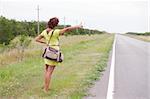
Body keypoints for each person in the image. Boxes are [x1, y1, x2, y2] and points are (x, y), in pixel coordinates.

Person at [35, 17, 82, 92]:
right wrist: (77, 26)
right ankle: (46, 89)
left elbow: (36, 39)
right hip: (54, 52)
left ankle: (45, 86)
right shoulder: (55, 32)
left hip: (47, 51)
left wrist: (45, 42)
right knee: (49, 72)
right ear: (56, 24)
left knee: (47, 70)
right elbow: (67, 29)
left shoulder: (44, 31)